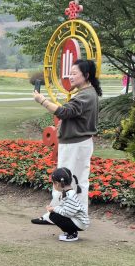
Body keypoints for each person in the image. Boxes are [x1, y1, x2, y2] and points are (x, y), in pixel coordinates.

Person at [32, 58, 100, 213]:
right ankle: (71, 213)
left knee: (64, 179)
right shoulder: (87, 93)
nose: (70, 76)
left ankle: (62, 214)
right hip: (78, 143)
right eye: (70, 73)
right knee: (77, 180)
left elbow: (64, 112)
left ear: (86, 75)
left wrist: (42, 100)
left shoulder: (85, 95)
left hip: (74, 145)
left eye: (74, 73)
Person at [31, 167, 89, 242]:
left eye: (53, 183)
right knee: (54, 214)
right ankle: (70, 231)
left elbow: (67, 213)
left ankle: (72, 234)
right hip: (78, 220)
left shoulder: (69, 195)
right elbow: (65, 207)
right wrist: (54, 208)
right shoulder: (68, 192)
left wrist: (54, 209)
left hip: (81, 223)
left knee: (54, 216)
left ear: (57, 184)